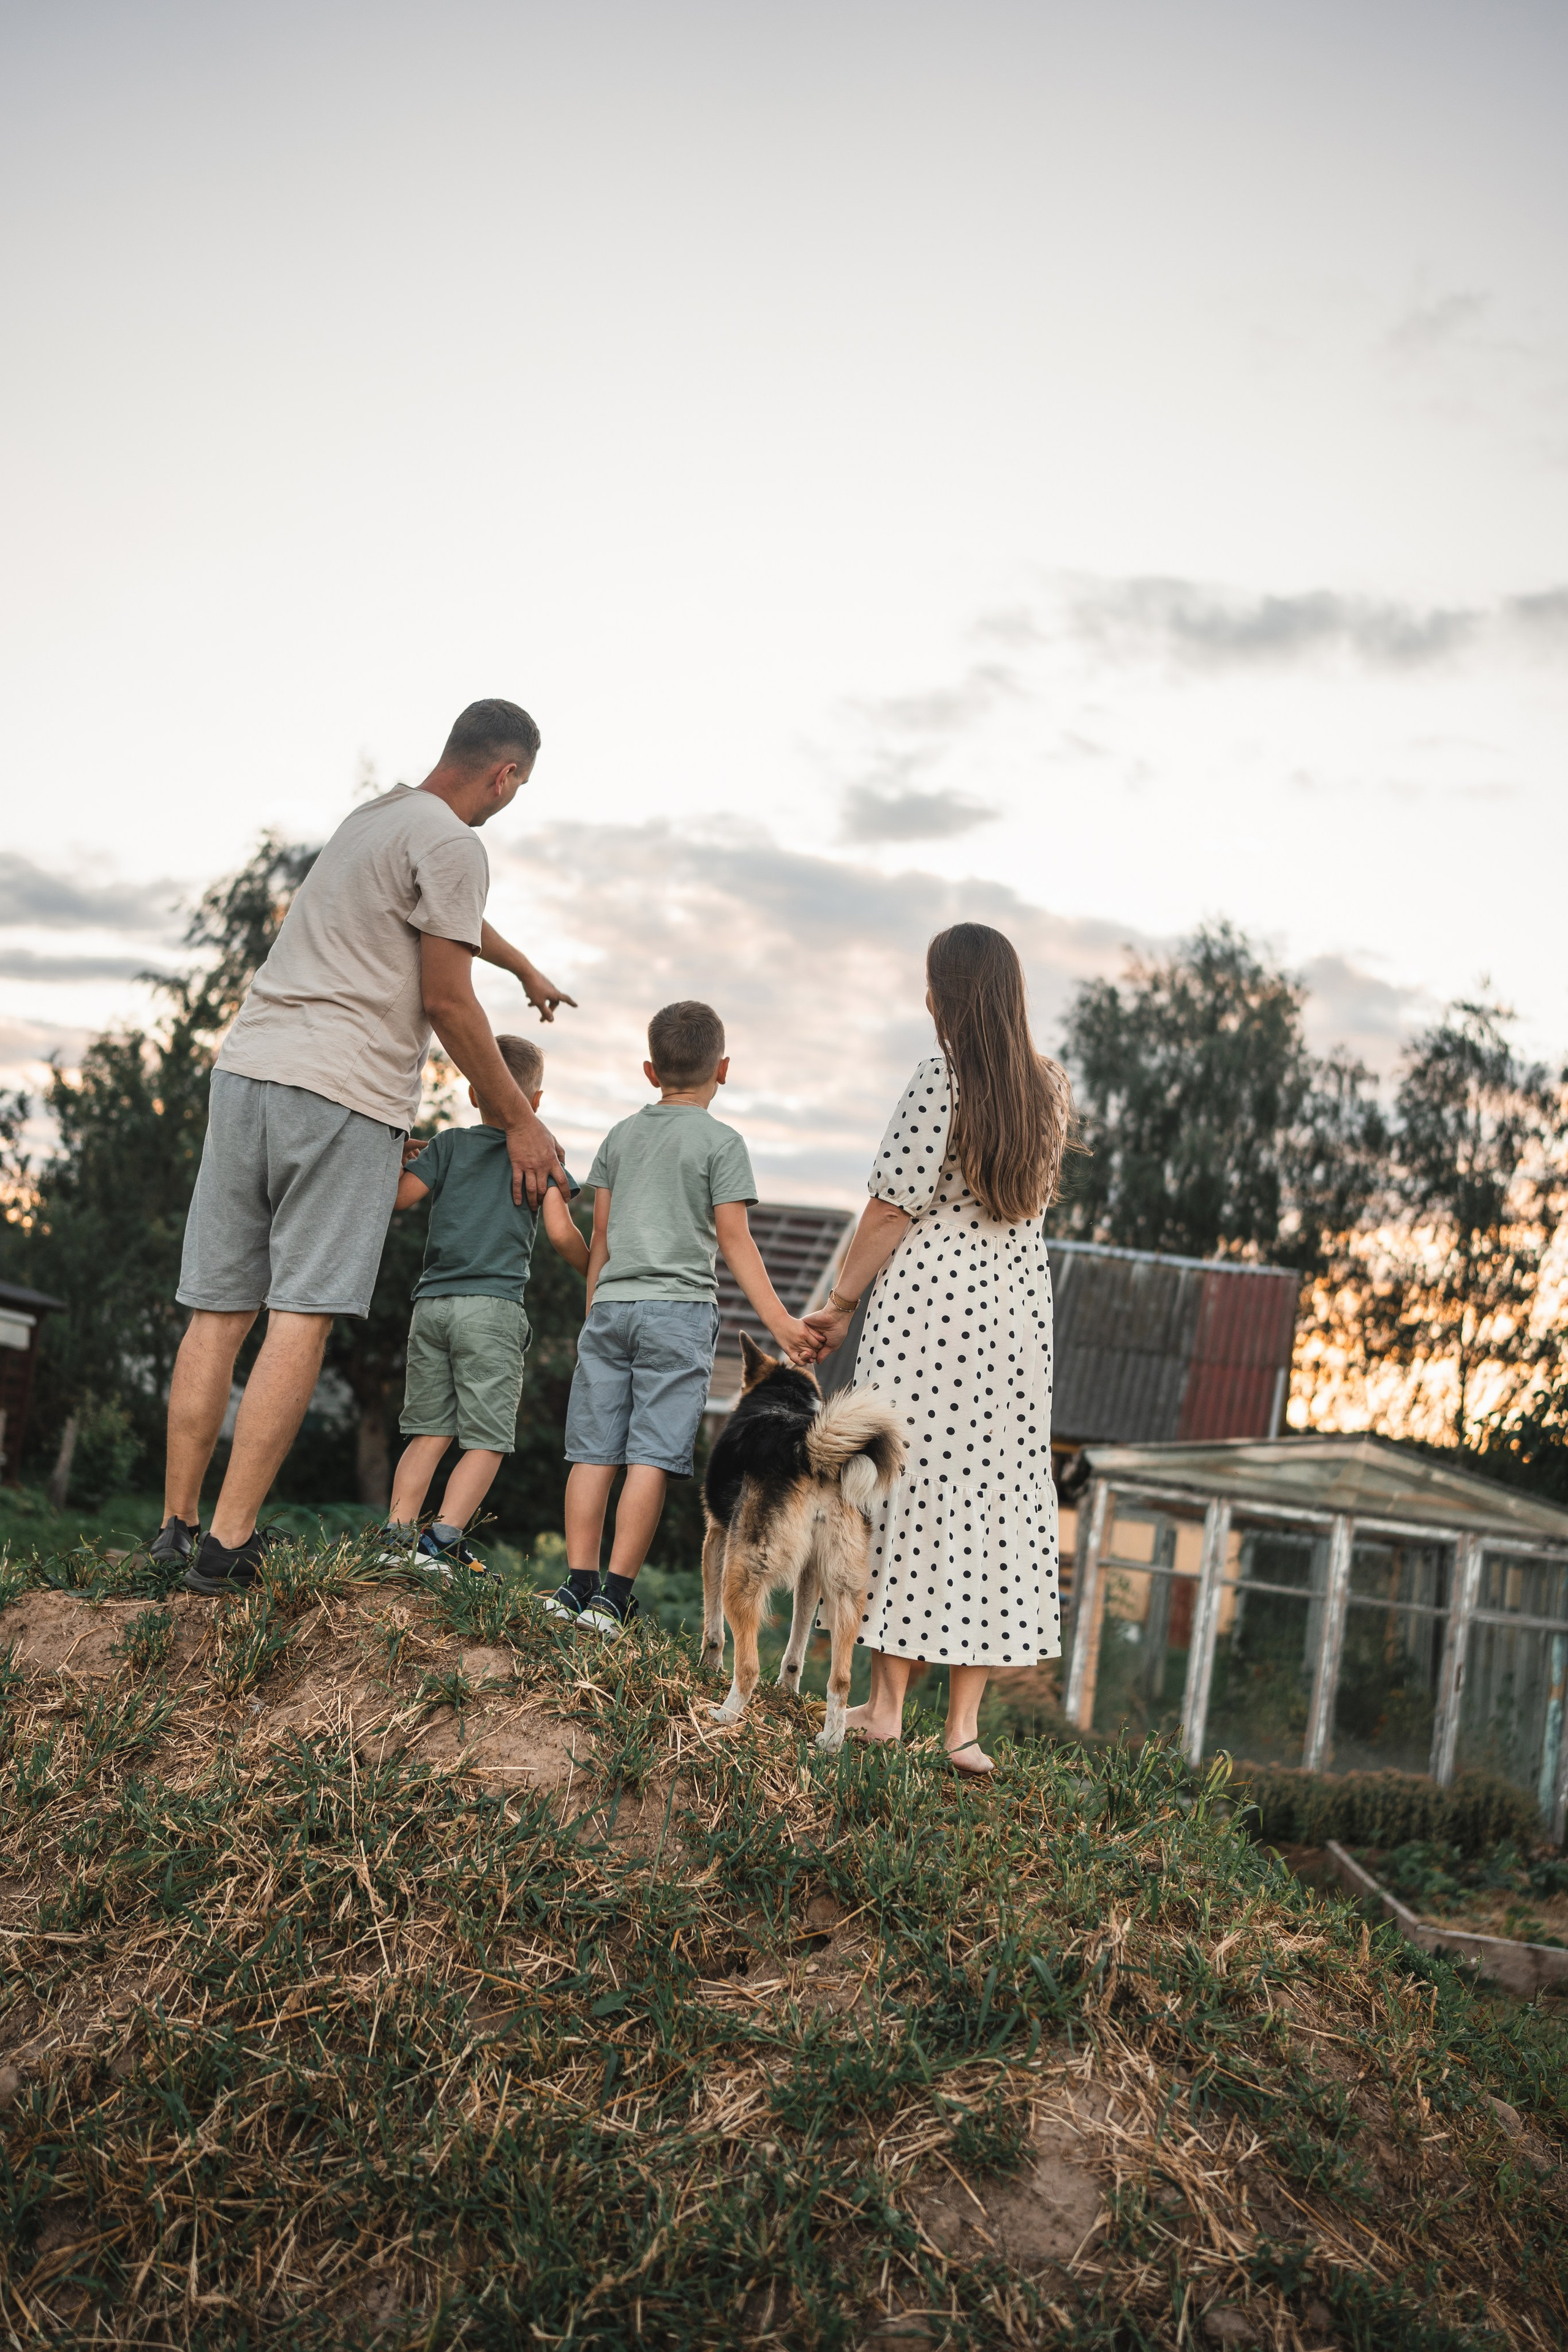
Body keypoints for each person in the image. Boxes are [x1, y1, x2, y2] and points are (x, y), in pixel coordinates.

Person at [159, 698, 576, 1596]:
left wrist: (520, 965)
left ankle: (176, 1526)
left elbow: (446, 919)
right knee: (301, 1312)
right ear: (506, 775)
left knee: (218, 1311)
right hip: (343, 1091)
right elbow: (447, 1003)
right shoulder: (460, 845)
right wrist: (519, 1120)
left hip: (250, 1073)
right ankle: (228, 1549)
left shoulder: (377, 818)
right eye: (520, 788)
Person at [802, 924, 1072, 1776]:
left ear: (945, 996)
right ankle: (964, 1731)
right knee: (995, 1498)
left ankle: (885, 1710)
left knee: (908, 1488)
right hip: (1017, 1319)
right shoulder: (1050, 1089)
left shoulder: (939, 1080)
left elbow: (892, 1207)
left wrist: (840, 1303)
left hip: (932, 1309)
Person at [541, 1000, 817, 1640]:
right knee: (648, 1458)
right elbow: (735, 1241)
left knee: (592, 1453)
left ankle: (574, 1585)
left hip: (609, 1308)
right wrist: (779, 1325)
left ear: (649, 1070)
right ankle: (612, 1600)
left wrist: (595, 1312)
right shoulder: (722, 1143)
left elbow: (601, 1233)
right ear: (722, 1068)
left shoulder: (619, 1136)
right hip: (678, 1314)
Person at [377, 1033, 589, 1575]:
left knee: (429, 1432)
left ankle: (396, 1538)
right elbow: (564, 1238)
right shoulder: (541, 1157)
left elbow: (397, 1199)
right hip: (491, 1311)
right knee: (488, 1438)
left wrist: (389, 1155)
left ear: (474, 1094)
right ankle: (442, 1541)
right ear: (535, 1102)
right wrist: (597, 1271)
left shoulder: (447, 1146)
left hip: (432, 1306)